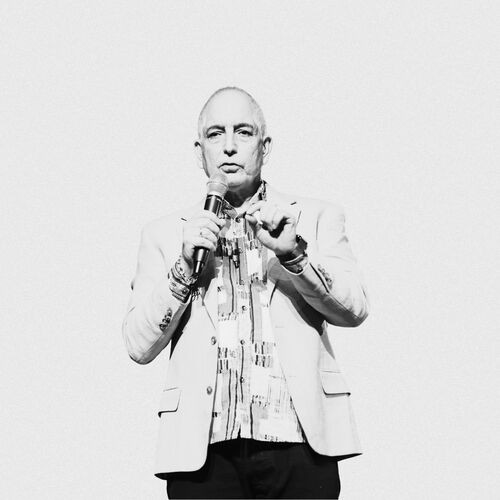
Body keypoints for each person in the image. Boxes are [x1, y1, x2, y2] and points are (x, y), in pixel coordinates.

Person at [122, 87, 369, 499]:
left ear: (264, 146)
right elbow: (138, 345)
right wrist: (183, 268)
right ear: (199, 152)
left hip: (299, 442)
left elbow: (354, 309)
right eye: (216, 134)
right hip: (203, 451)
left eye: (243, 132)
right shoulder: (164, 234)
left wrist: (294, 255)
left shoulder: (314, 216)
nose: (230, 147)